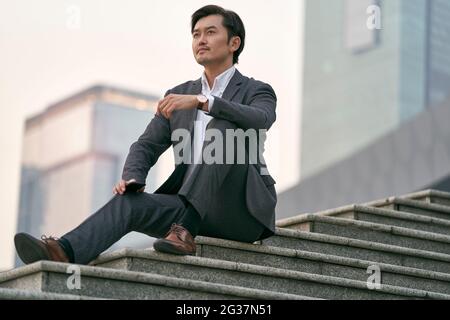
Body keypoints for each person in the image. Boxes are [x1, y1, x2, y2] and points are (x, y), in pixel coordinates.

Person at [14, 4, 277, 266]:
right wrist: (133, 177)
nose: (201, 40)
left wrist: (202, 102)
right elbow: (146, 145)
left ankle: (186, 230)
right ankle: (63, 252)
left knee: (224, 127)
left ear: (234, 43)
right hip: (185, 211)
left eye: (210, 32)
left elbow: (262, 119)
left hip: (242, 211)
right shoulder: (177, 95)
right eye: (196, 34)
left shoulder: (257, 90)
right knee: (130, 202)